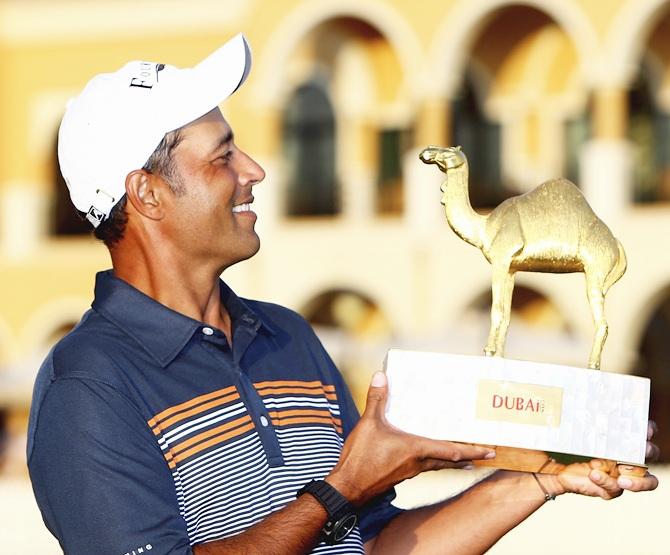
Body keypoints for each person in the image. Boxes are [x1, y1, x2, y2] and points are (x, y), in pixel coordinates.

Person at [27, 33, 659, 555]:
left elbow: (376, 544)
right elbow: (341, 502)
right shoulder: (87, 385)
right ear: (148, 194)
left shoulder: (287, 336)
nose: (254, 170)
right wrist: (342, 488)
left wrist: (537, 479)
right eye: (222, 158)